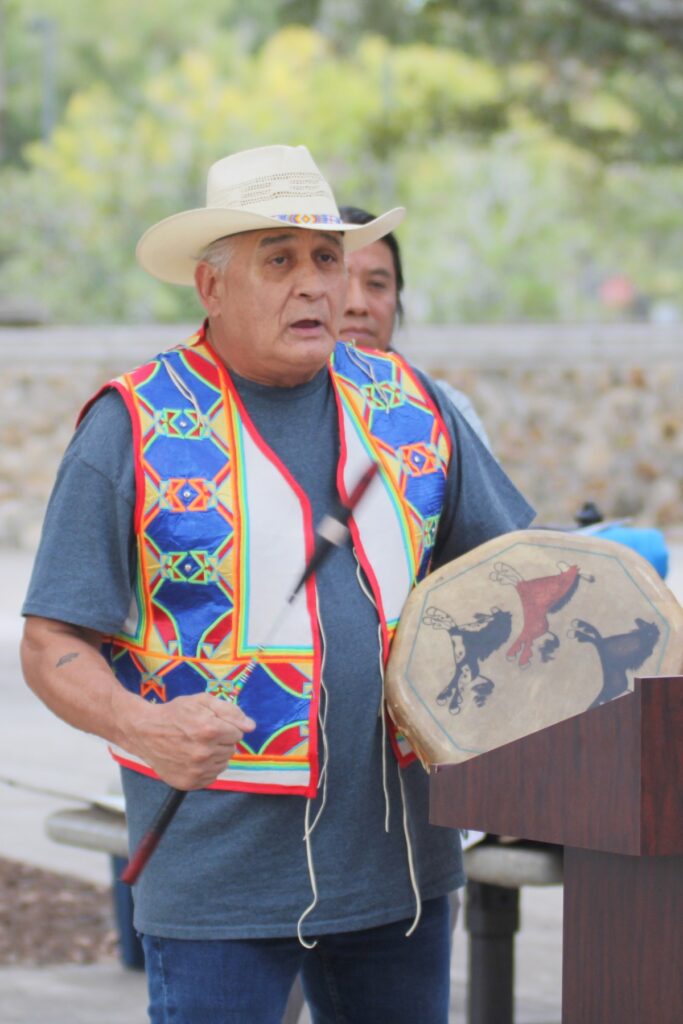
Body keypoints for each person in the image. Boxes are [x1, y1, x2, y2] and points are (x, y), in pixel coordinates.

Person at [20, 144, 533, 1024]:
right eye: (279, 259)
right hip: (216, 886)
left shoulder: (412, 407)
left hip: (400, 871)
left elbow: (515, 573)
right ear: (210, 286)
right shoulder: (130, 427)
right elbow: (50, 643)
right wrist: (146, 724)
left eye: (327, 259)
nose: (313, 285)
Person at [338, 204, 492, 449]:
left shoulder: (444, 409)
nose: (358, 305)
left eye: (377, 284)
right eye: (340, 282)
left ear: (397, 299)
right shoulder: (274, 407)